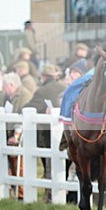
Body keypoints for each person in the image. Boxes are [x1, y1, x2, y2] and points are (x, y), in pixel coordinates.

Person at [23, 65, 65, 202]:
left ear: (44, 77)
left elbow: (27, 108)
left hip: (48, 134)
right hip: (67, 132)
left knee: (49, 164)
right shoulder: (65, 87)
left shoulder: (42, 91)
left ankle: (50, 195)